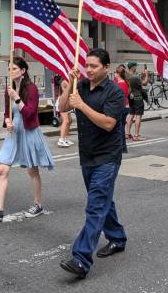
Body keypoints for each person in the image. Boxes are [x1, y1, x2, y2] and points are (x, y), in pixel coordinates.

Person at [58, 48, 127, 279]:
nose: (88, 69)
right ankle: (117, 238)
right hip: (87, 155)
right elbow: (62, 107)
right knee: (104, 200)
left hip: (107, 157)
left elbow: (108, 123)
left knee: (95, 206)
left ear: (106, 68)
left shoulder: (115, 92)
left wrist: (83, 106)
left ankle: (81, 258)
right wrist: (70, 82)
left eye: (94, 66)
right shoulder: (81, 86)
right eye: (86, 65)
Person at [0, 56, 54, 222]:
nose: (11, 71)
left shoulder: (32, 89)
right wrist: (7, 121)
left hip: (29, 132)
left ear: (23, 71)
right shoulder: (9, 89)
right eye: (9, 69)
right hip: (14, 133)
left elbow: (30, 113)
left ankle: (37, 204)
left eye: (13, 68)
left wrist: (17, 98)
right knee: (2, 169)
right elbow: (7, 113)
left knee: (32, 170)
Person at [125, 61, 148, 141]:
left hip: (131, 97)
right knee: (138, 116)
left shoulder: (127, 76)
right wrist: (146, 75)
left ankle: (127, 134)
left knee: (131, 114)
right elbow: (144, 83)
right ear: (132, 67)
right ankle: (136, 135)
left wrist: (141, 76)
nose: (136, 68)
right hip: (138, 98)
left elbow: (137, 84)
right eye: (135, 66)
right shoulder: (135, 77)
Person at [114, 65, 130, 153]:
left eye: (116, 73)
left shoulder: (122, 84)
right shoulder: (121, 82)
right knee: (120, 127)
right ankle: (122, 147)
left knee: (120, 128)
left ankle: (122, 147)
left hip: (122, 107)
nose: (114, 74)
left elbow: (121, 97)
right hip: (124, 107)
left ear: (118, 74)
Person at [57, 79, 74, 147]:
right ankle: (61, 140)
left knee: (70, 121)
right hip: (63, 101)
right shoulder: (64, 81)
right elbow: (65, 92)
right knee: (66, 121)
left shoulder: (69, 80)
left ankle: (65, 138)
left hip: (67, 101)